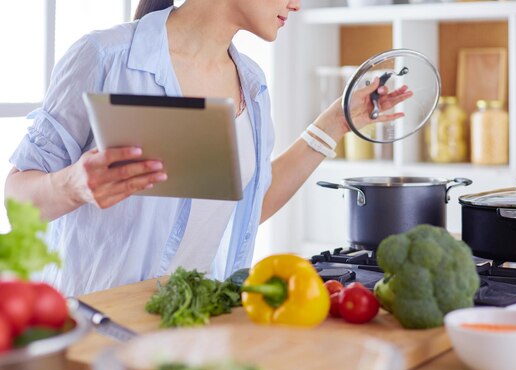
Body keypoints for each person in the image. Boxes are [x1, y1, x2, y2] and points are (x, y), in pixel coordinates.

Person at [5, 0, 412, 296]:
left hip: (187, 326)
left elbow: (248, 204)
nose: (298, 4)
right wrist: (74, 185)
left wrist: (337, 122)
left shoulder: (251, 84)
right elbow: (17, 201)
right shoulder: (106, 57)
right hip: (93, 328)